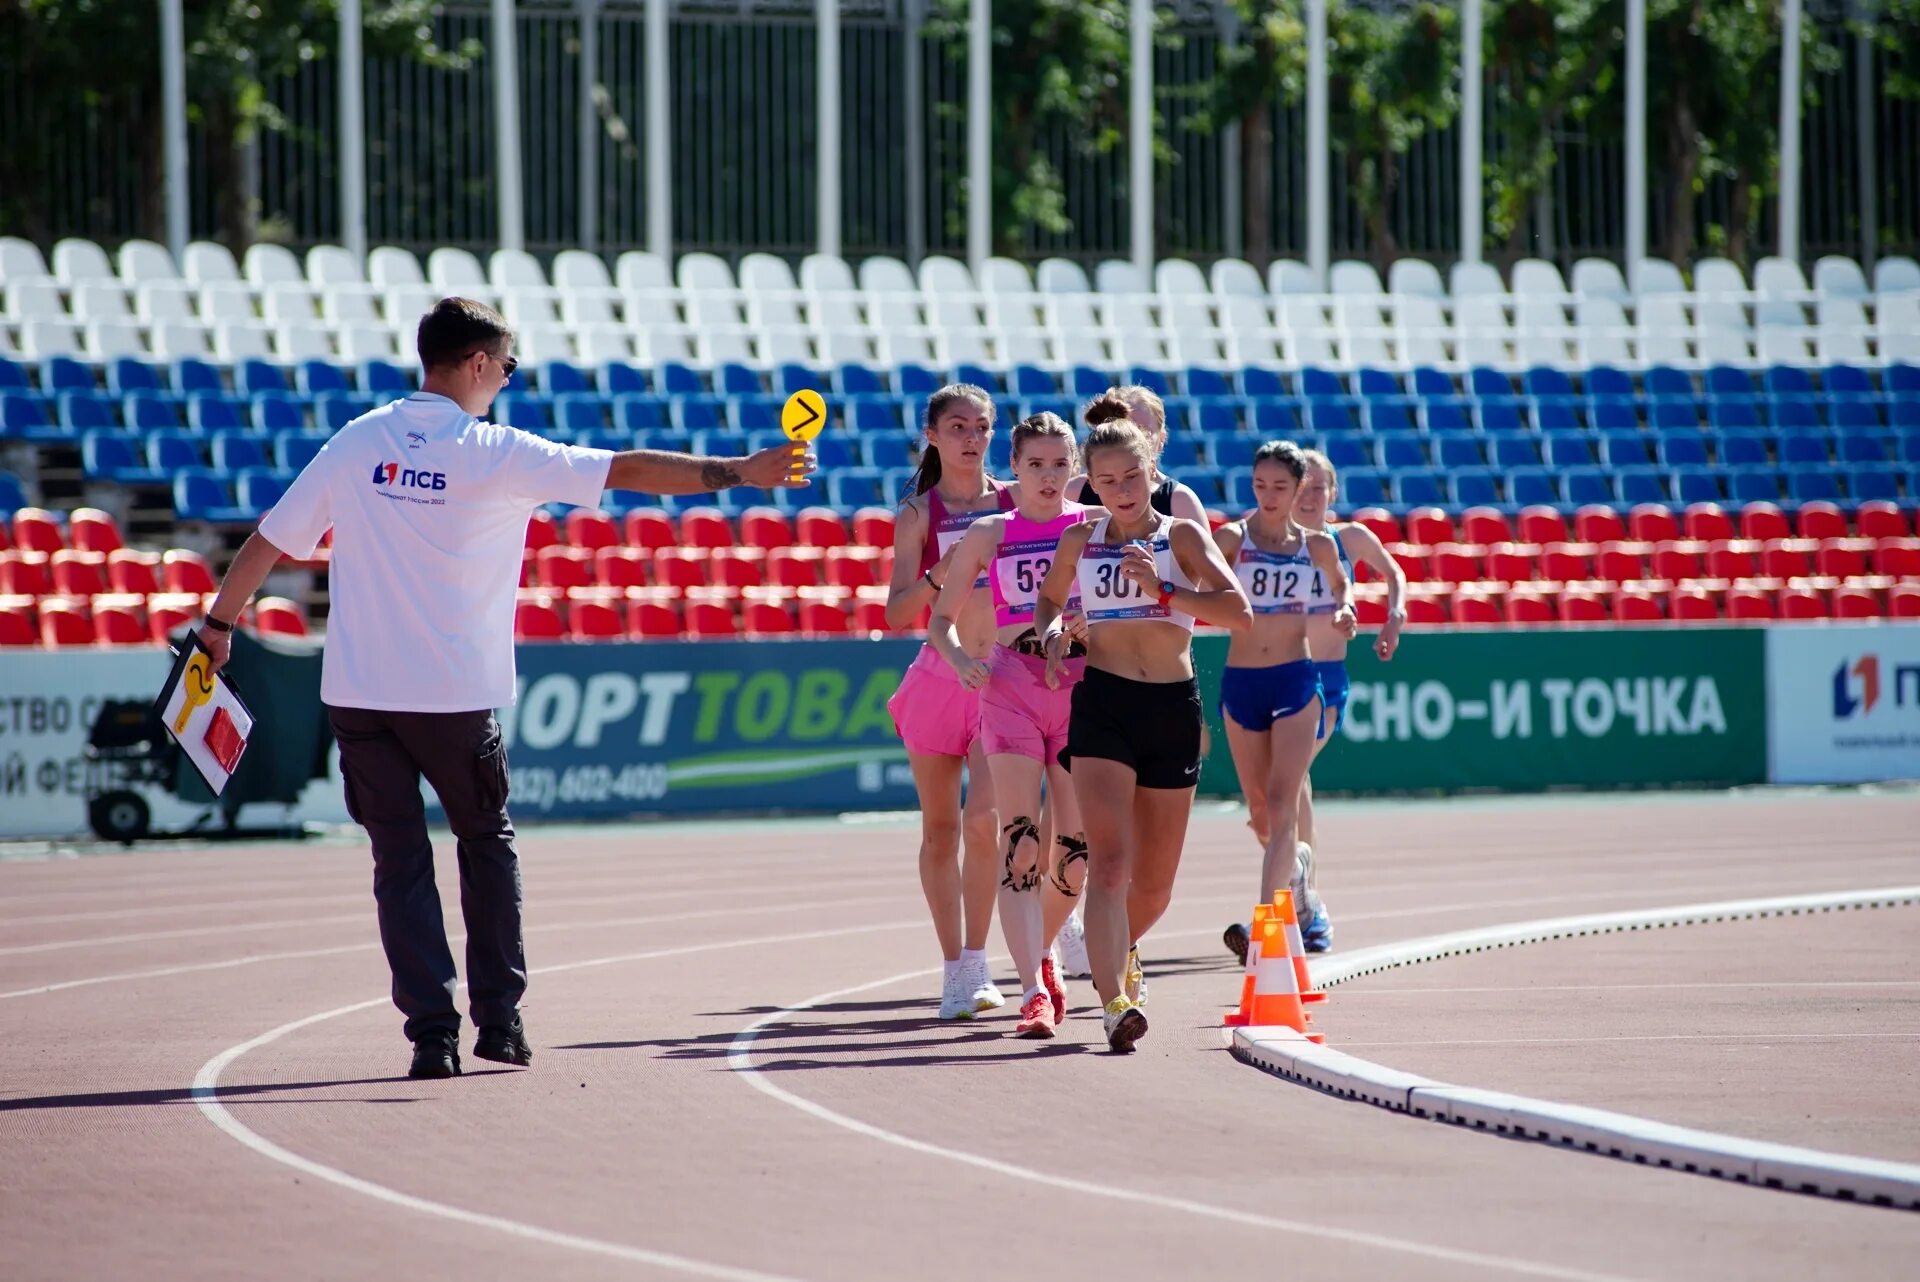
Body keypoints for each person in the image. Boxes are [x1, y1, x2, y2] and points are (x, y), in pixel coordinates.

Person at [201, 297, 813, 1080]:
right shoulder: (495, 449)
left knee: (399, 863)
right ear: (479, 364)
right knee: (485, 845)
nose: (509, 380)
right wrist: (740, 472)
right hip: (454, 695)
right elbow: (624, 470)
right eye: (509, 366)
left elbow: (269, 541)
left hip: (360, 692)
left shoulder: (358, 441)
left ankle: (431, 1035)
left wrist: (217, 628)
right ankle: (499, 1020)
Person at [1033, 420, 1250, 1052]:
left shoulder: (1180, 534)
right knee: (1109, 865)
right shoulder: (1080, 537)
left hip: (1170, 707)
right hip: (1104, 704)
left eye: (1132, 475)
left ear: (1151, 469)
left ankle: (1119, 950)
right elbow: (1049, 602)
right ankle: (1113, 1006)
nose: (1122, 490)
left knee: (1153, 886)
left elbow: (1237, 611)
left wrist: (1161, 589)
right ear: (1091, 484)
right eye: (1106, 480)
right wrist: (1052, 635)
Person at [929, 412, 1092, 1039]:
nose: (1048, 477)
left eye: (1059, 464)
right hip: (1009, 690)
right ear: (1015, 469)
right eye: (1035, 465)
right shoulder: (990, 532)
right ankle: (1032, 992)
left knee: (1073, 855)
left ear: (1075, 468)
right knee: (1020, 839)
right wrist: (962, 661)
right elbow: (939, 621)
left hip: (1080, 692)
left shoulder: (1093, 529)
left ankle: (1043, 951)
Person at [884, 384, 1015, 1020]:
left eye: (982, 427)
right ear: (933, 435)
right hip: (941, 677)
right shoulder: (917, 513)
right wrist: (945, 569)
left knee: (986, 822)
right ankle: (953, 971)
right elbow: (896, 610)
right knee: (940, 830)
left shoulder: (1015, 502)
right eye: (957, 426)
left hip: (1002, 681)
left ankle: (979, 959)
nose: (971, 436)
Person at [1213, 442, 1355, 964]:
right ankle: (1294, 870)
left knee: (1282, 802)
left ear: (1298, 490)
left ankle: (1263, 927)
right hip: (1243, 683)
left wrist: (1346, 611)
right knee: (1261, 815)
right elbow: (1192, 585)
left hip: (1297, 683)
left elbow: (1342, 590)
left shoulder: (1316, 547)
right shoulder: (1230, 539)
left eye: (1280, 487)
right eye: (1260, 486)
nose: (1269, 497)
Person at [1287, 448, 1406, 951]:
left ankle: (1298, 895)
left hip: (1325, 680)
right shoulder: (1267, 543)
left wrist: (1393, 615)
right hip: (1275, 677)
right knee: (1291, 784)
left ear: (1333, 493)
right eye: (1304, 487)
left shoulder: (1348, 538)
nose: (1311, 496)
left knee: (1287, 779)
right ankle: (1305, 897)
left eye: (1321, 487)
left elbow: (1394, 571)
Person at [1067, 385, 1207, 524]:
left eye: (1144, 432)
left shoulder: (1181, 501)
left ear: (1162, 438)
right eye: (1126, 431)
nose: (1135, 440)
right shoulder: (1074, 491)